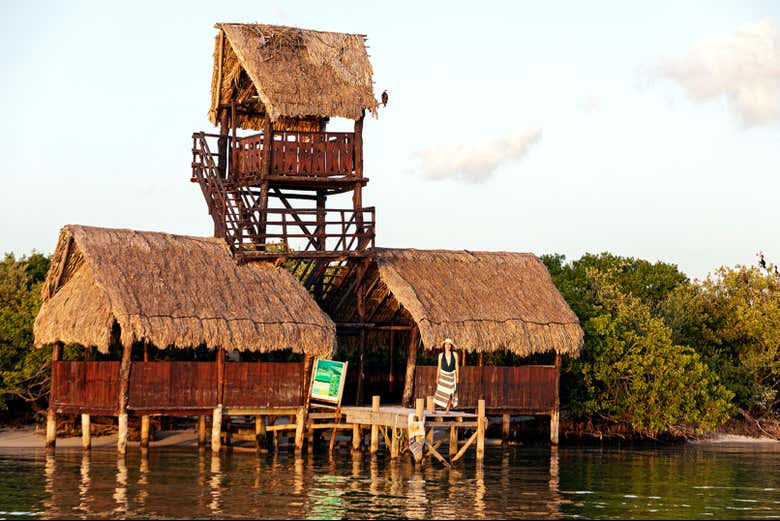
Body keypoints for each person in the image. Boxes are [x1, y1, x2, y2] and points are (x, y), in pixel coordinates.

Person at [433, 338, 459, 413]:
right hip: (443, 375)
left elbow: (456, 366)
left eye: (449, 344)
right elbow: (439, 367)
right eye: (446, 344)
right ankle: (433, 409)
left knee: (450, 393)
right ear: (444, 345)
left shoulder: (455, 354)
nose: (448, 346)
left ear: (451, 346)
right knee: (439, 391)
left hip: (451, 375)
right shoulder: (441, 355)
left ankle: (447, 410)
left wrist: (457, 377)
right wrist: (437, 378)